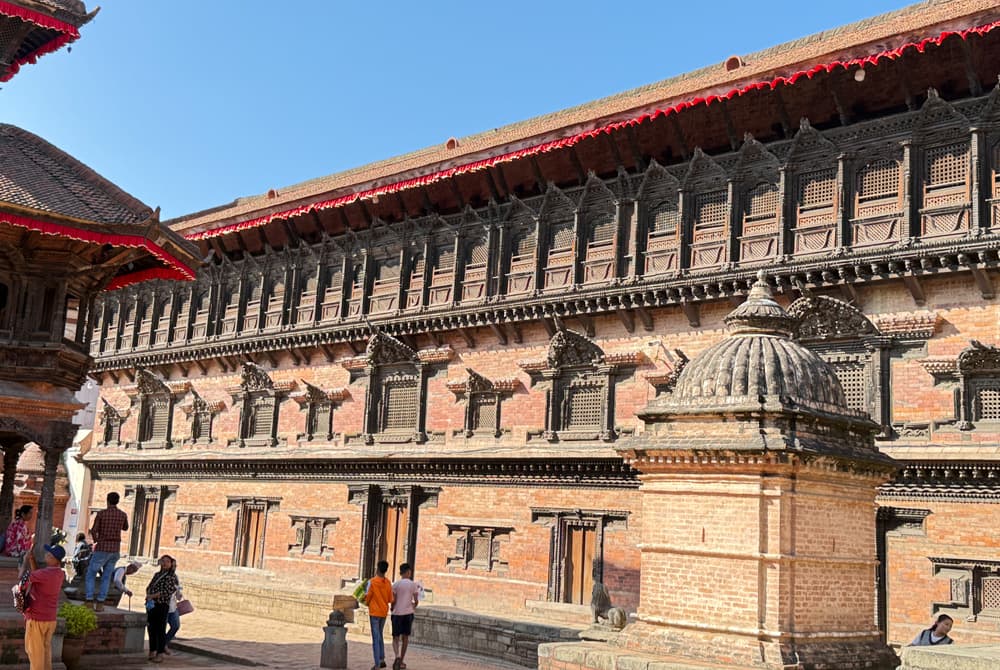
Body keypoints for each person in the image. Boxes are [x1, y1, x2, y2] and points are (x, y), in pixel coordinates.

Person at [23, 544, 67, 670]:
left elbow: (23, 578)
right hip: (50, 620)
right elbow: (38, 575)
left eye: (49, 555)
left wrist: (25, 561)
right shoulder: (59, 574)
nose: (46, 555)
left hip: (37, 619)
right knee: (45, 653)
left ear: (55, 560)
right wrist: (32, 560)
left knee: (36, 656)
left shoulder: (45, 574)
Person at [85, 492, 129, 611]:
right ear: (118, 501)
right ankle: (100, 603)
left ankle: (89, 600)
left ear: (107, 500)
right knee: (107, 576)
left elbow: (94, 530)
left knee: (91, 573)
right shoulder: (122, 514)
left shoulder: (101, 514)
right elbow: (125, 527)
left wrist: (97, 540)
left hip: (102, 547)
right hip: (115, 548)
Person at [145, 554, 178, 663]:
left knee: (160, 629)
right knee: (151, 628)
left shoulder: (171, 577)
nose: (164, 563)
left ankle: (160, 653)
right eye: (163, 561)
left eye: (167, 561)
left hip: (162, 605)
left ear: (171, 563)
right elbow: (149, 587)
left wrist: (153, 596)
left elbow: (166, 592)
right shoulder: (157, 574)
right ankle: (152, 650)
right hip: (152, 605)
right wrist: (149, 595)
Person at [364, 560, 394, 670]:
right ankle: (381, 658)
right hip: (383, 612)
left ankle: (377, 663)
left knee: (376, 638)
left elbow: (367, 597)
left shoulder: (372, 582)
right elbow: (391, 599)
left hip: (374, 612)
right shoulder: (388, 583)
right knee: (380, 635)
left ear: (377, 568)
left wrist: (365, 601)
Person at [390, 563, 420, 670]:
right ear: (408, 572)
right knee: (405, 637)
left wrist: (392, 607)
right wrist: (413, 605)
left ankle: (397, 656)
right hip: (408, 613)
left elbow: (393, 600)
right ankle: (402, 660)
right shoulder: (413, 585)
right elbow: (416, 601)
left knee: (395, 637)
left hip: (397, 613)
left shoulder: (396, 584)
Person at [164, 557, 184, 655]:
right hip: (162, 606)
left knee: (175, 626)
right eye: (173, 565)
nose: (174, 567)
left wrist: (179, 595)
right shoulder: (162, 577)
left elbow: (178, 593)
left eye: (176, 566)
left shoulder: (175, 577)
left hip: (173, 607)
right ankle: (160, 647)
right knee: (161, 628)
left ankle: (164, 643)